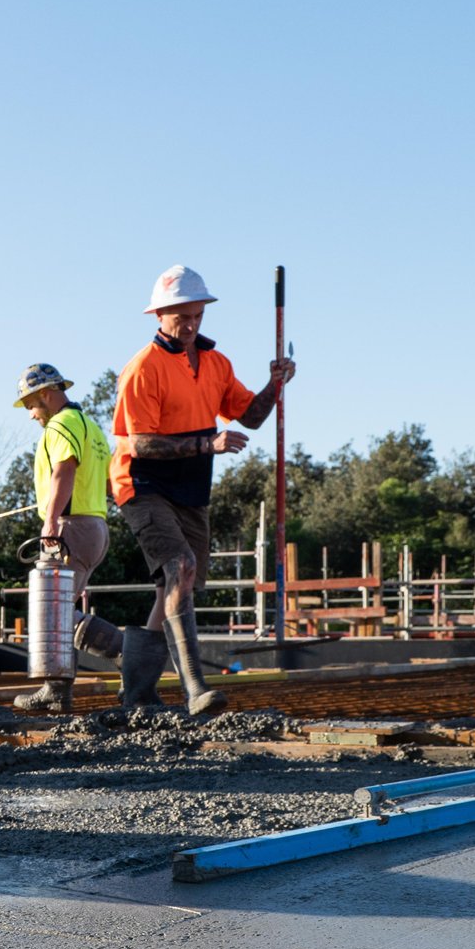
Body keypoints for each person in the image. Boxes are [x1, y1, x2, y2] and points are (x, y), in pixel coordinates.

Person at [110, 267, 291, 715]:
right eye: (180, 317)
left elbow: (248, 416)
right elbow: (141, 443)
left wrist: (275, 383)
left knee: (176, 586)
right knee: (181, 566)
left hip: (190, 489)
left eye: (195, 316)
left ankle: (135, 693)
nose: (189, 325)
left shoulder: (215, 363)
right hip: (142, 482)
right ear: (159, 315)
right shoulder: (143, 368)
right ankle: (196, 689)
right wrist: (207, 443)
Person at [7, 364, 117, 716]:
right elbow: (105, 482)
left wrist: (51, 520)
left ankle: (129, 654)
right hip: (95, 526)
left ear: (46, 394)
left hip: (73, 527)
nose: (31, 414)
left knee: (54, 614)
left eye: (30, 405)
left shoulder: (60, 424)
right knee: (59, 609)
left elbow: (64, 470)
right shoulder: (93, 428)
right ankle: (56, 691)